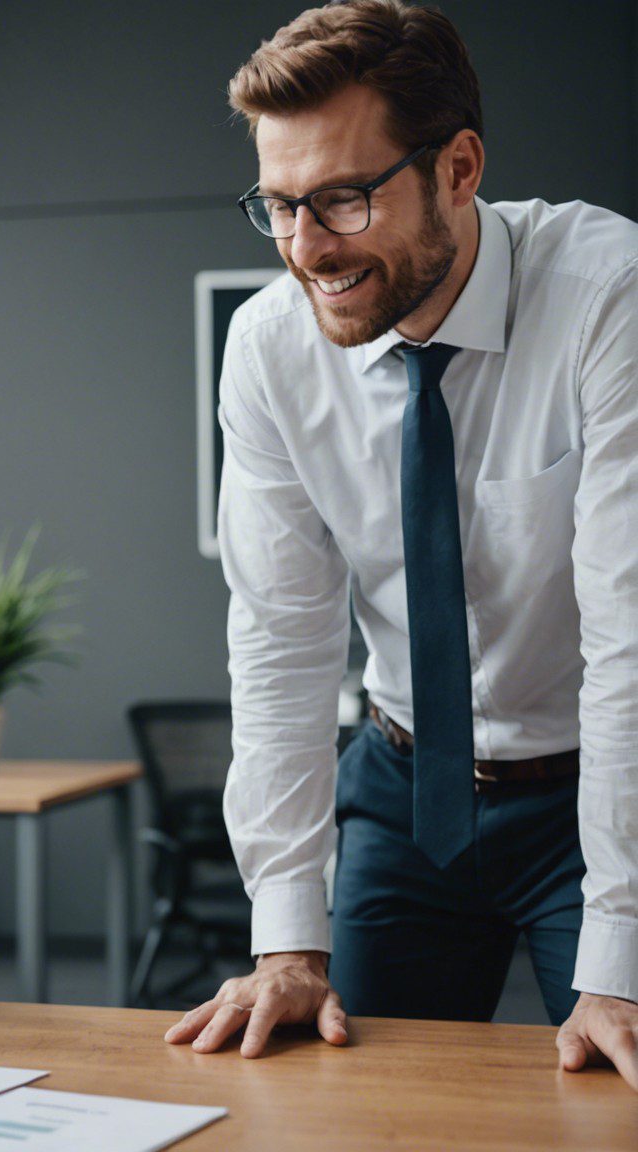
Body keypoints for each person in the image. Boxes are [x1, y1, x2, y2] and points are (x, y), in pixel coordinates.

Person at [166, 0, 638, 1089]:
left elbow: (627, 639)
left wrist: (620, 951)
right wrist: (286, 936)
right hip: (404, 784)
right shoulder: (270, 349)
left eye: (341, 198)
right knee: (345, 1096)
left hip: (593, 799)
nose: (305, 250)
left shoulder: (607, 295)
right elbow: (282, 640)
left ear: (460, 167)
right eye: (279, 205)